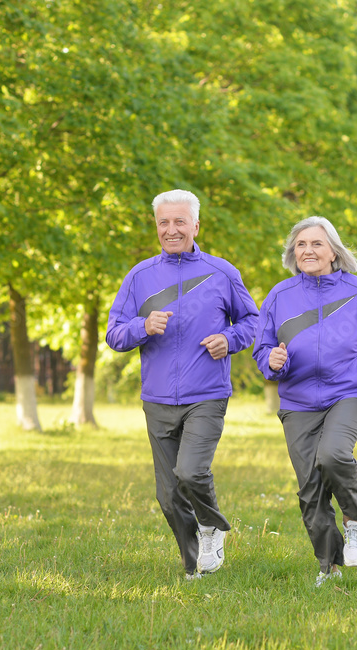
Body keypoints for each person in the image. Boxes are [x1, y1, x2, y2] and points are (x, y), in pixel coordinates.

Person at [106, 189, 258, 580]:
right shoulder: (139, 277)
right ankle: (194, 567)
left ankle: (211, 527)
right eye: (163, 222)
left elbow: (253, 322)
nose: (171, 229)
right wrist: (143, 327)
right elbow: (114, 334)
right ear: (156, 226)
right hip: (157, 398)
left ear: (195, 225)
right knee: (169, 495)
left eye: (179, 222)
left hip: (206, 393)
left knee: (190, 472)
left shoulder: (222, 272)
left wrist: (230, 340)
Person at [253, 216, 357, 587]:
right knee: (310, 490)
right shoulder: (279, 296)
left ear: (334, 251)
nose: (308, 251)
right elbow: (263, 349)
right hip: (298, 400)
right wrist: (271, 361)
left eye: (317, 244)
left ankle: (355, 518)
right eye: (301, 245)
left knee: (333, 454)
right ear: (292, 253)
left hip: (349, 392)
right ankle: (329, 568)